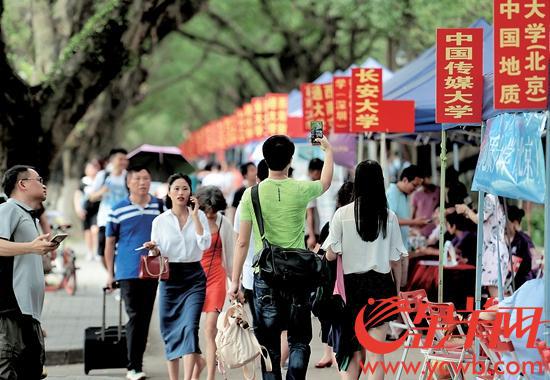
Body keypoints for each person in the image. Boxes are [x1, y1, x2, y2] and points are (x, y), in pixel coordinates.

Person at [229, 134, 334, 380]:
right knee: (298, 339)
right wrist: (327, 150)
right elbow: (326, 182)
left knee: (268, 344)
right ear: (290, 159)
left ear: (264, 160)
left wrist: (234, 281)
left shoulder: (251, 195)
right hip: (298, 278)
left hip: (265, 277)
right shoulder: (300, 188)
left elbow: (242, 241)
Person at [323, 160, 405, 380]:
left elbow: (330, 254)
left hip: (351, 289)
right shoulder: (390, 217)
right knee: (377, 354)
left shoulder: (342, 214)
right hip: (381, 286)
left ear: (357, 181)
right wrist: (396, 290)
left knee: (351, 351)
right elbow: (396, 261)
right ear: (380, 182)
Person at [144, 174, 211, 380]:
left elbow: (205, 244)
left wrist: (195, 217)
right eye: (176, 189)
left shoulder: (199, 217)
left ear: (191, 192)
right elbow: (155, 255)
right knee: (169, 329)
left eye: (184, 188)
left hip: (194, 277)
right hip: (169, 277)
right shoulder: (160, 221)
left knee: (190, 327)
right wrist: (153, 249)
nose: (180, 193)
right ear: (169, 192)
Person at [0, 165, 59, 379]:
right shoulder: (8, 209)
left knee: (32, 371)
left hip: (30, 313)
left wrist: (41, 249)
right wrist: (31, 247)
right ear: (22, 184)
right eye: (38, 179)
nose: (44, 184)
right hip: (10, 310)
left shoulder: (30, 216)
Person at [104, 167, 163, 380]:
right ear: (128, 182)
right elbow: (109, 244)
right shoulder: (117, 209)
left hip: (152, 270)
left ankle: (137, 361)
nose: (142, 182)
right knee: (135, 315)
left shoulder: (160, 206)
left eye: (146, 178)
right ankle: (134, 366)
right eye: (137, 178)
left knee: (145, 316)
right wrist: (109, 274)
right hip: (127, 271)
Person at [195, 186, 234, 380]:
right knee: (191, 330)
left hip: (217, 278)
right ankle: (198, 366)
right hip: (193, 278)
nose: (210, 216)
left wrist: (236, 284)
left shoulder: (223, 223)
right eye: (206, 212)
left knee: (210, 329)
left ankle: (210, 376)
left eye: (213, 212)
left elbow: (230, 255)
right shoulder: (190, 220)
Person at [314, 181, 354, 370]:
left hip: (335, 278)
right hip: (338, 278)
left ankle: (330, 352)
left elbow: (322, 252)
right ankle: (329, 352)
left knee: (330, 315)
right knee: (330, 315)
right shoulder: (335, 223)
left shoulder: (334, 222)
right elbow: (322, 251)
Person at [479, 278, 546, 380]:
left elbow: (486, 314)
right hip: (538, 374)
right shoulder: (531, 285)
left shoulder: (530, 285)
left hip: (510, 371)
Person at [234, 159, 268, 323]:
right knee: (283, 328)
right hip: (284, 271)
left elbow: (240, 242)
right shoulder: (291, 198)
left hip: (252, 273)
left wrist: (235, 280)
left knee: (260, 324)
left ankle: (264, 348)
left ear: (257, 178)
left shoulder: (247, 199)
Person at [456, 194, 509, 298]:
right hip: (497, 250)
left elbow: (478, 219)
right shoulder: (499, 199)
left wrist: (466, 209)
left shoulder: (490, 197)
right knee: (497, 293)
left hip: (493, 252)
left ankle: (503, 314)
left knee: (495, 296)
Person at [386, 165, 427, 288]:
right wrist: (414, 222)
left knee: (402, 285)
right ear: (404, 180)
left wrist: (412, 228)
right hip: (394, 249)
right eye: (414, 185)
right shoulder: (392, 192)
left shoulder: (403, 195)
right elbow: (390, 219)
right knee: (396, 288)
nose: (415, 189)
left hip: (402, 247)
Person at [89, 148, 129, 269]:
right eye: (120, 159)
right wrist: (102, 191)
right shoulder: (103, 175)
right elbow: (91, 197)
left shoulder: (128, 176)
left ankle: (120, 274)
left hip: (124, 218)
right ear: (112, 160)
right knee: (102, 251)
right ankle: (111, 274)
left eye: (125, 159)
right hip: (105, 218)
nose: (123, 162)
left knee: (123, 248)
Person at [74, 160, 101, 261]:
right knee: (87, 231)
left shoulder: (100, 181)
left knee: (95, 230)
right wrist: (78, 208)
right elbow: (77, 195)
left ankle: (97, 251)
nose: (90, 170)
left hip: (97, 208)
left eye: (93, 168)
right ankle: (90, 252)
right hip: (85, 209)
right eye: (88, 168)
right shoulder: (83, 181)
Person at [506, 205, 537, 289]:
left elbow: (512, 269)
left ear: (514, 223)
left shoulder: (522, 241)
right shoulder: (498, 240)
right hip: (507, 282)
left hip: (520, 284)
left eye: (505, 221)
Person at [411, 170, 439, 238]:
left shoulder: (438, 191)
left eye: (427, 179)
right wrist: (412, 226)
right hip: (421, 232)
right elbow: (413, 214)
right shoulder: (417, 194)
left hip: (436, 232)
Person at [306, 158, 323, 249]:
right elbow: (309, 214)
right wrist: (311, 236)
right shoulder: (309, 186)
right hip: (309, 233)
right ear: (316, 172)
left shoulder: (301, 181)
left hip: (304, 232)